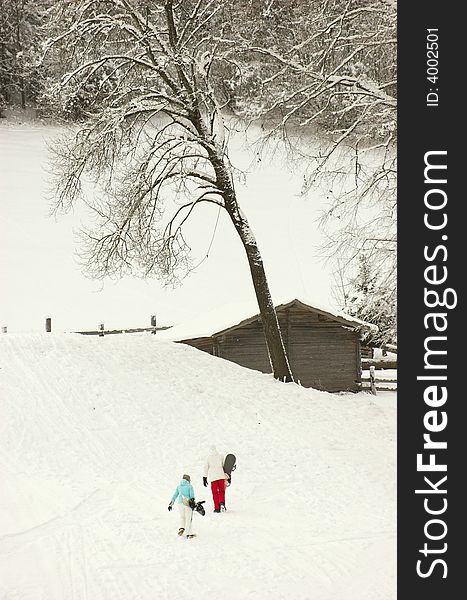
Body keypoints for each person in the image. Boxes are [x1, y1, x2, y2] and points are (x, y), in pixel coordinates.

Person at [168, 474, 196, 538]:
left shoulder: (179, 486)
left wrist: (171, 504)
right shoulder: (190, 486)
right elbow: (192, 496)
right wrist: (193, 503)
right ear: (188, 480)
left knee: (182, 517)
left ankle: (182, 528)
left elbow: (175, 495)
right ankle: (188, 533)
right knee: (188, 518)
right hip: (187, 503)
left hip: (180, 503)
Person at [203, 446, 229, 512]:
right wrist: (227, 475)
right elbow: (224, 466)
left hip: (213, 478)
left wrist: (204, 477)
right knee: (222, 491)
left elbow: (205, 468)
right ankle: (222, 503)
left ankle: (217, 508)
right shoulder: (221, 456)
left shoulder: (208, 458)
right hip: (221, 476)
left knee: (215, 493)